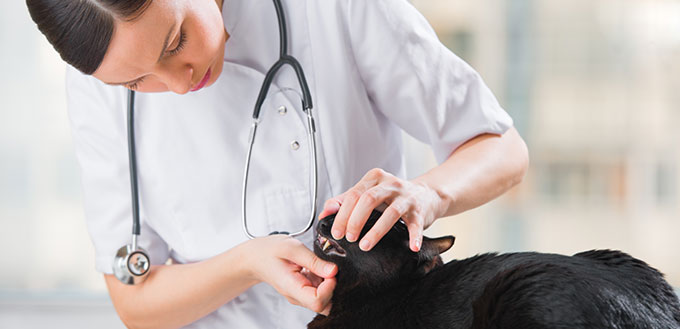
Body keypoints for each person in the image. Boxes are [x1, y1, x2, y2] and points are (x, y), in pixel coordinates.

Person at [26, 0, 529, 328]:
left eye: (176, 40)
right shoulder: (94, 86)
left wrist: (428, 193)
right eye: (136, 82)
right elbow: (135, 301)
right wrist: (248, 263)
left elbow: (502, 148)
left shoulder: (330, 9)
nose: (177, 84)